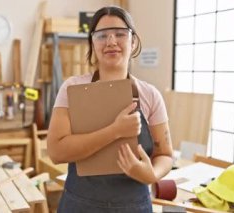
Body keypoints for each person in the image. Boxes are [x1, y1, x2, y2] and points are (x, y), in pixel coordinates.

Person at [47, 5, 173, 213]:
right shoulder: (72, 88)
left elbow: (165, 155)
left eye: (120, 34)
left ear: (133, 41)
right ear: (92, 43)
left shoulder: (150, 95)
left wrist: (150, 175)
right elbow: (56, 152)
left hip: (133, 206)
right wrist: (115, 131)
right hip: (80, 205)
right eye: (102, 36)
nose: (111, 42)